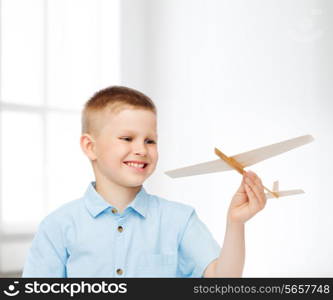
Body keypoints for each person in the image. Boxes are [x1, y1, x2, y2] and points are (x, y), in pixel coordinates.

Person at [22, 86, 267, 277]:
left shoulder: (179, 220)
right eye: (127, 138)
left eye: (150, 141)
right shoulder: (57, 226)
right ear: (90, 146)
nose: (141, 149)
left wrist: (236, 223)